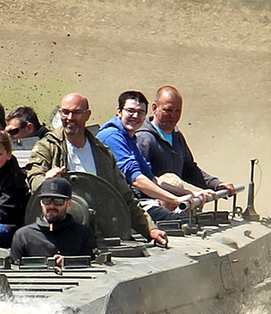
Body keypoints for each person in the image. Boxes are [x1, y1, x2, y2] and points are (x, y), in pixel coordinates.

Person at [27, 92, 169, 246]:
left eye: (76, 113)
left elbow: (124, 196)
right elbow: (34, 179)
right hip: (56, 233)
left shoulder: (102, 153)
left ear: (87, 115)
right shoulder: (48, 148)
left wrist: (150, 229)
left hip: (99, 234)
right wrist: (46, 182)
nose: (69, 118)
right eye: (65, 112)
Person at [97, 89, 190, 221]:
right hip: (113, 205)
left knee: (186, 217)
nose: (135, 116)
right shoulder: (112, 136)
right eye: (130, 111)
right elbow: (136, 179)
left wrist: (189, 193)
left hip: (130, 200)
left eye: (140, 112)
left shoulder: (130, 138)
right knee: (174, 220)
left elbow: (152, 179)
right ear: (119, 112)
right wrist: (175, 199)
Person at [134, 86, 236, 206]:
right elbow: (143, 181)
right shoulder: (144, 139)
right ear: (155, 108)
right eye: (168, 110)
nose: (173, 116)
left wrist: (216, 184)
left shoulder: (176, 135)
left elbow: (189, 170)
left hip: (176, 205)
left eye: (177, 111)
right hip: (152, 209)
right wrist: (188, 194)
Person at [8, 177, 96, 264]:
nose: (51, 206)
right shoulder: (23, 236)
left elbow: (93, 267)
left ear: (69, 204)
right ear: (41, 203)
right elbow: (14, 271)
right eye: (47, 200)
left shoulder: (83, 235)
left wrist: (69, 263)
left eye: (58, 201)